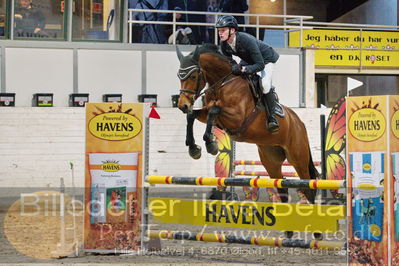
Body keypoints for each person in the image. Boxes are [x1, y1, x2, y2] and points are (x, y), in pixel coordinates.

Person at [215, 15, 280, 132]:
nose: (220, 33)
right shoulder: (224, 44)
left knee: (265, 85)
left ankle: (272, 118)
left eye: (223, 30)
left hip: (266, 59)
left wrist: (245, 70)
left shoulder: (246, 40)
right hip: (249, 59)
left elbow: (260, 65)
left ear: (232, 30)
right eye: (219, 30)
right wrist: (235, 67)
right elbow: (230, 61)